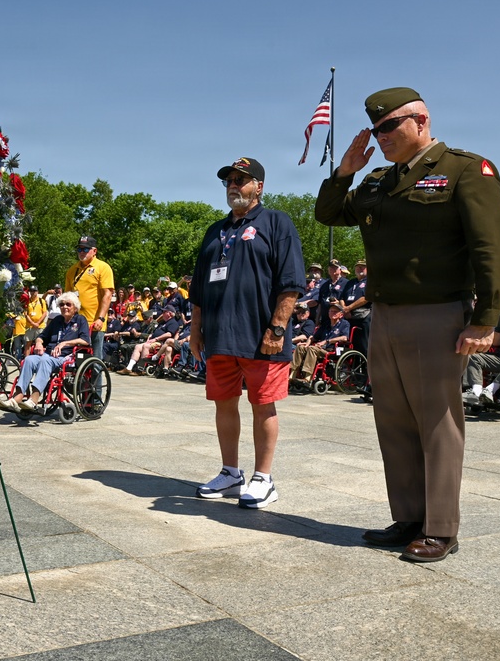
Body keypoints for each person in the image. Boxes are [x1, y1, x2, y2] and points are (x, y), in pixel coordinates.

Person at [315, 87, 500, 562]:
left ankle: (441, 527)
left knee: (438, 422)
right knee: (394, 421)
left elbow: (492, 250)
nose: (380, 136)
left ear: (420, 120)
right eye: (375, 128)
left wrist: (484, 319)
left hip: (438, 315)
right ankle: (408, 517)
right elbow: (329, 214)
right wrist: (345, 172)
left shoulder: (466, 169)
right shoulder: (380, 179)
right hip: (385, 316)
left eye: (389, 127)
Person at [191, 157, 305, 509]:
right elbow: (198, 289)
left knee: (263, 406)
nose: (234, 185)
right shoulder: (215, 230)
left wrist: (277, 328)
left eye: (242, 179)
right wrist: (196, 332)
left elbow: (291, 283)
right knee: (224, 405)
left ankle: (263, 478)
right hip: (220, 335)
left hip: (261, 335)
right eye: (229, 180)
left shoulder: (276, 222)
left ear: (259, 187)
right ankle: (230, 473)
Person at [0, 291, 89, 412]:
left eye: (68, 304)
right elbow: (42, 336)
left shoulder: (80, 320)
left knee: (46, 360)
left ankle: (33, 400)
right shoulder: (57, 320)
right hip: (49, 355)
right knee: (29, 359)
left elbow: (85, 340)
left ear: (75, 307)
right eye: (61, 304)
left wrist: (65, 343)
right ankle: (17, 398)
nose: (64, 307)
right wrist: (39, 343)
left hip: (66, 356)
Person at [65, 235, 114, 360]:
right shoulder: (72, 270)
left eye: (85, 249)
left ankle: (95, 380)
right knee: (74, 360)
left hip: (94, 323)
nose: (82, 252)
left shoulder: (103, 267)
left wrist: (101, 319)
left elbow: (107, 295)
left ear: (94, 251)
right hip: (76, 322)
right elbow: (67, 297)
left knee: (95, 361)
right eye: (79, 249)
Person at [289, 303, 350, 383]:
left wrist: (327, 341)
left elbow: (345, 338)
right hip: (320, 348)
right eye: (331, 311)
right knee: (300, 347)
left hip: (331, 350)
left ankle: (307, 378)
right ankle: (292, 375)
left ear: (341, 315)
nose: (332, 313)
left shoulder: (344, 324)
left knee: (312, 349)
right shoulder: (326, 324)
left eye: (335, 312)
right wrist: (307, 343)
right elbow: (313, 337)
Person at [117, 304, 180, 375]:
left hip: (161, 343)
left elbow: (169, 334)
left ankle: (141, 369)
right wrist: (151, 336)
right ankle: (129, 368)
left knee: (145, 346)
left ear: (170, 313)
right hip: (153, 341)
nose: (162, 314)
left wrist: (156, 339)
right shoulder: (163, 323)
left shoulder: (173, 322)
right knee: (137, 346)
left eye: (164, 312)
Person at [340, 260, 371, 354]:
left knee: (363, 345)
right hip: (348, 317)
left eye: (363, 266)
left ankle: (366, 366)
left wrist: (349, 308)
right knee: (349, 344)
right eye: (358, 267)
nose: (360, 268)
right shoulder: (350, 282)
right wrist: (345, 309)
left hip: (364, 316)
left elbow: (366, 297)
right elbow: (341, 298)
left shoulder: (370, 281)